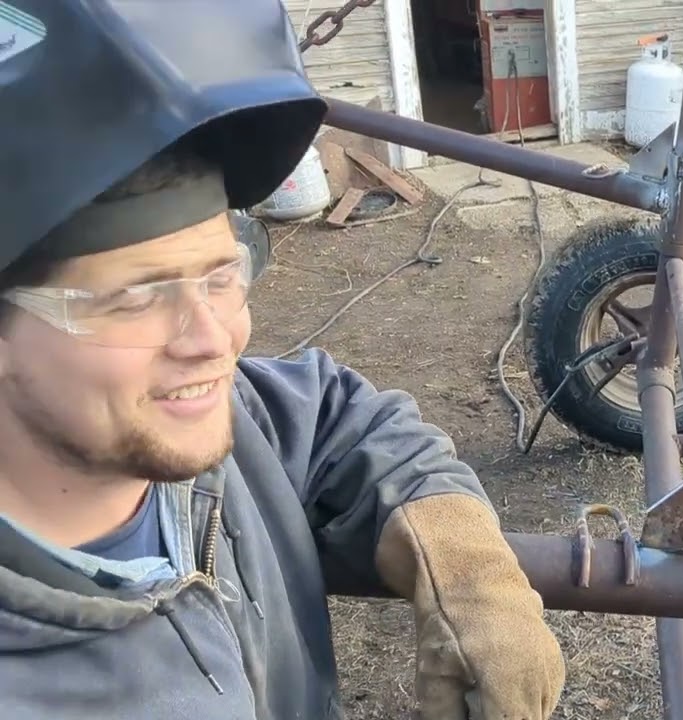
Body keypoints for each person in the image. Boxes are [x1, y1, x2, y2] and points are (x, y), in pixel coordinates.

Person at [0, 1, 565, 718]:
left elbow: (336, 415)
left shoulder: (208, 428)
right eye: (137, 299)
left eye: (219, 275)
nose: (214, 338)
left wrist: (463, 565)